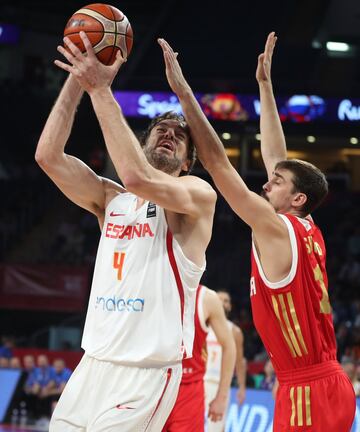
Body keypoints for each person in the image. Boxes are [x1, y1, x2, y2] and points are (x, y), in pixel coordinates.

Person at [158, 34, 356, 431]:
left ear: (297, 198)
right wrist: (265, 87)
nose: (267, 184)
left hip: (308, 391)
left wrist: (183, 93)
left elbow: (217, 165)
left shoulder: (275, 227)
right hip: (320, 382)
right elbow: (276, 157)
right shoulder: (304, 225)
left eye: (276, 182)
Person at [35, 32, 216, 432]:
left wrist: (100, 89)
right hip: (93, 362)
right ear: (139, 141)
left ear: (187, 163)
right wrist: (79, 77)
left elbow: (137, 176)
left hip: (146, 371)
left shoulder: (195, 195)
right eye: (161, 130)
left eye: (179, 136)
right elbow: (48, 156)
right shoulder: (109, 199)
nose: (169, 134)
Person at [163, 285, 236, 431]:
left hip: (189, 388)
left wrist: (221, 397)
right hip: (154, 385)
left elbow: (230, 347)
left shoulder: (207, 298)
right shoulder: (152, 287)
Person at [204, 289, 246, 432]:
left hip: (221, 384)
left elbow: (240, 362)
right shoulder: (203, 325)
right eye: (219, 299)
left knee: (217, 427)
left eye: (226, 300)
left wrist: (241, 387)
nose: (223, 302)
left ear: (230, 306)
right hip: (201, 381)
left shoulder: (235, 331)